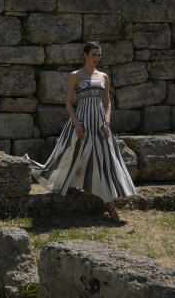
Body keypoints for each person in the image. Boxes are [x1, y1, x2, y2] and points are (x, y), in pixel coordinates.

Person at [26, 41, 137, 223]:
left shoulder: (104, 76)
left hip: (100, 125)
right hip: (82, 122)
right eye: (93, 54)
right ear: (85, 55)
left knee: (105, 160)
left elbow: (107, 101)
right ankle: (69, 183)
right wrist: (77, 123)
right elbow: (68, 102)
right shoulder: (75, 75)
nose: (97, 58)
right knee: (71, 153)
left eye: (99, 55)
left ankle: (111, 208)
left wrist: (107, 122)